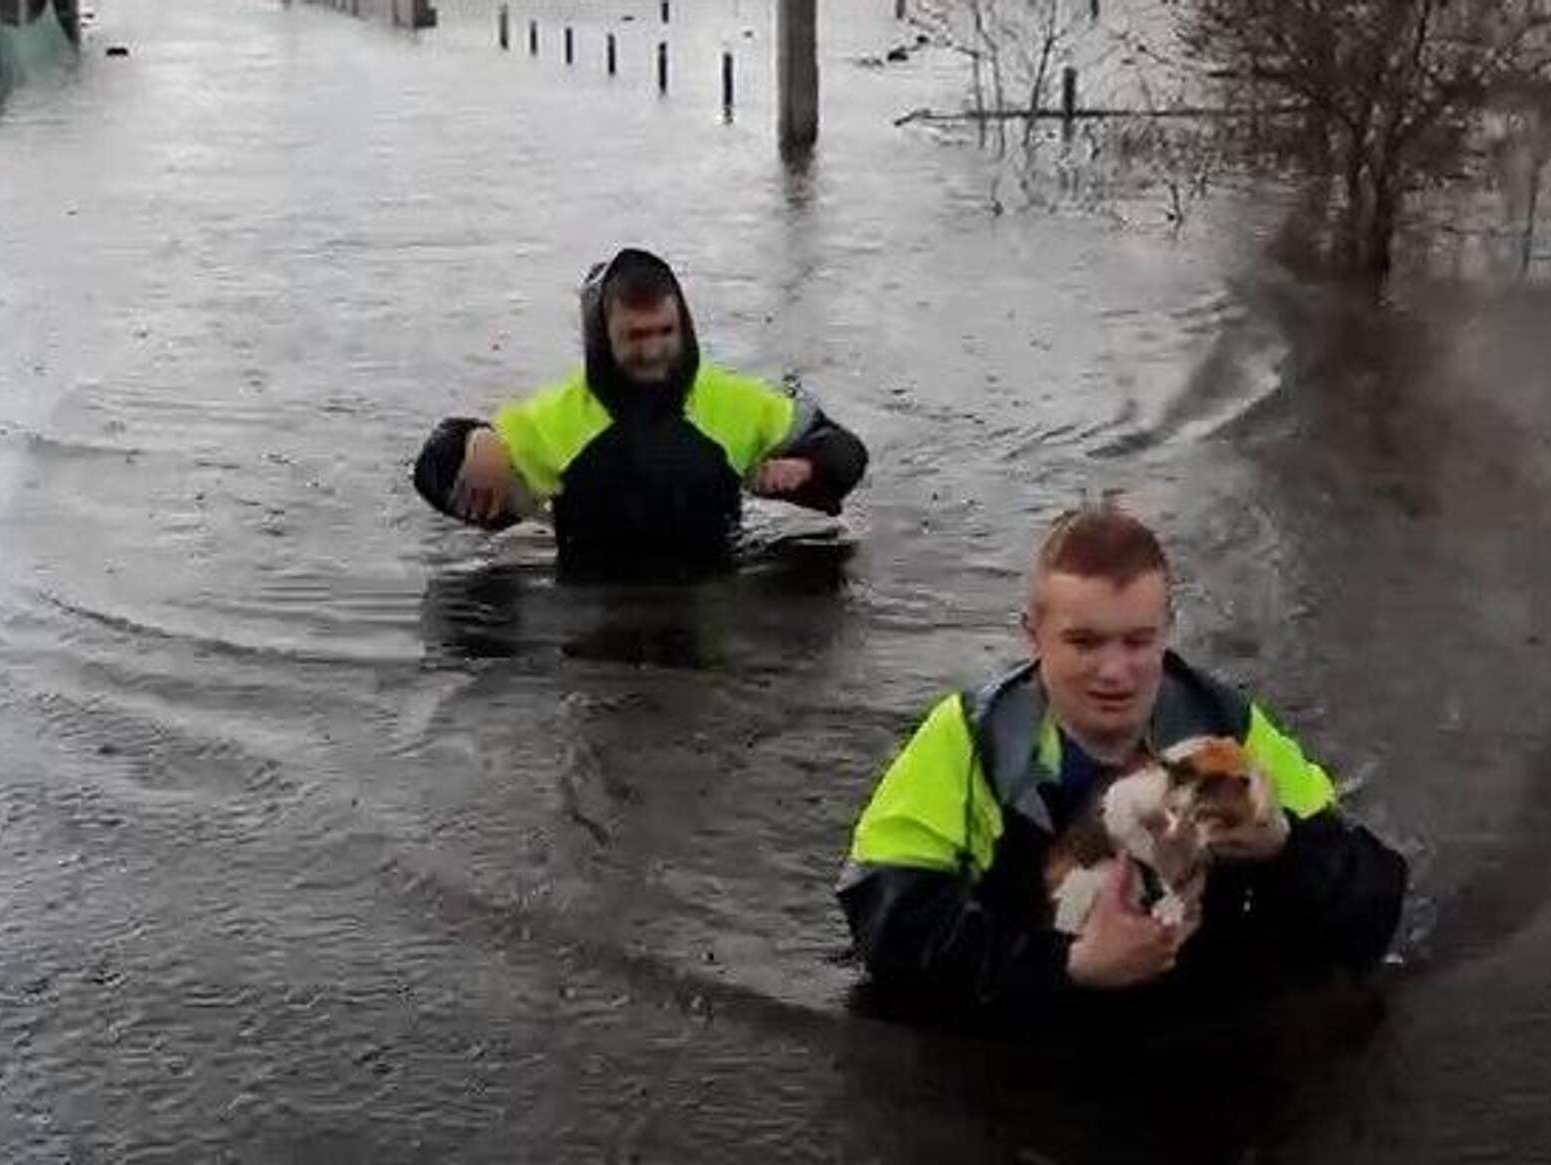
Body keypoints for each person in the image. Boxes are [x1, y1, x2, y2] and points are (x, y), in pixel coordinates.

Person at [838, 503, 1407, 1013]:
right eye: (1084, 642)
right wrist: (1069, 967)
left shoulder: (1229, 732)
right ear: (1032, 637)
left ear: (1168, 634)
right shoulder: (969, 740)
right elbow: (885, 930)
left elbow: (1374, 908)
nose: (1115, 673)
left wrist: (1284, 847)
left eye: (1137, 642)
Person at [411, 248, 868, 579]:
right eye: (635, 336)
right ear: (603, 340)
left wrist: (804, 466)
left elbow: (846, 452)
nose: (653, 351)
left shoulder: (732, 403)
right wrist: (475, 440)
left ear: (684, 326)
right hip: (594, 603)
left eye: (664, 331)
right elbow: (434, 471)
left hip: (714, 591)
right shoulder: (561, 417)